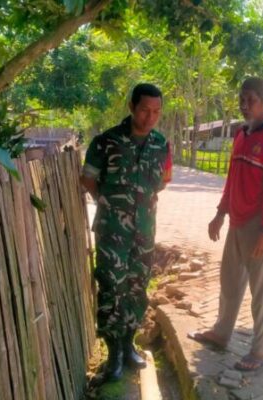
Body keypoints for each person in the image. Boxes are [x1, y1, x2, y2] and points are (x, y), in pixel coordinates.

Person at [189, 77, 263, 372]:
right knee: (230, 281)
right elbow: (232, 179)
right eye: (242, 100)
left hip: (260, 225)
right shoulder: (241, 134)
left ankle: (260, 351)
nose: (245, 105)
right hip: (236, 220)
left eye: (251, 100)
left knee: (262, 290)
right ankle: (221, 333)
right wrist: (220, 213)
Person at [80, 83, 172, 381]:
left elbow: (163, 181)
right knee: (111, 288)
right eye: (145, 110)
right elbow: (88, 179)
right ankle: (113, 354)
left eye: (156, 111)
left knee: (137, 287)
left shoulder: (161, 144)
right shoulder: (105, 141)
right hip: (112, 231)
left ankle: (129, 345)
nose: (150, 117)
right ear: (132, 107)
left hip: (145, 231)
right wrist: (110, 203)